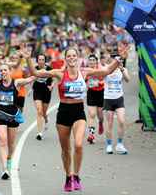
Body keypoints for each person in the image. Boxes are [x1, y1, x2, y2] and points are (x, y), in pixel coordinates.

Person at [25, 46, 122, 192]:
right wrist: (27, 58)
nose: (71, 58)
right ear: (65, 58)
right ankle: (68, 176)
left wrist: (119, 59)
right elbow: (36, 72)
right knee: (66, 150)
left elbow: (106, 71)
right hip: (63, 113)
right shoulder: (59, 73)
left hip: (78, 112)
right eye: (68, 56)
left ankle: (76, 176)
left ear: (77, 58)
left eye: (73, 56)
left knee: (78, 145)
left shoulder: (84, 72)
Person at [104, 54, 130, 154]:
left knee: (122, 121)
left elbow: (128, 80)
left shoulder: (123, 70)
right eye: (117, 60)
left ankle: (119, 144)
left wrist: (122, 69)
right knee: (109, 124)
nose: (119, 62)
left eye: (120, 60)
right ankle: (109, 145)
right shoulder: (106, 70)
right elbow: (100, 75)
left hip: (119, 99)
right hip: (108, 99)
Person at [32, 54, 54, 140]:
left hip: (46, 92)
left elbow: (54, 79)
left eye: (42, 59)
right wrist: (30, 89)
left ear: (45, 61)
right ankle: (39, 133)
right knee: (39, 111)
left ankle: (46, 118)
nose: (41, 61)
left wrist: (52, 86)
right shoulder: (34, 69)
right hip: (37, 91)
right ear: (37, 61)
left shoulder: (49, 69)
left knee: (44, 112)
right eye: (39, 59)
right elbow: (31, 78)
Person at [85, 54, 105, 144]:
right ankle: (91, 135)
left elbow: (106, 80)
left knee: (100, 115)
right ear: (88, 62)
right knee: (92, 114)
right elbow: (83, 80)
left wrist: (100, 83)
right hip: (91, 93)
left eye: (93, 60)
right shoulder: (86, 70)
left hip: (100, 93)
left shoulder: (101, 69)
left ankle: (100, 123)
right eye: (90, 60)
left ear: (96, 61)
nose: (92, 62)